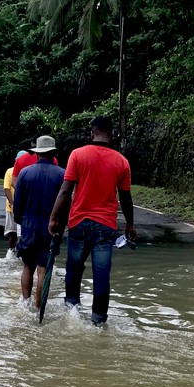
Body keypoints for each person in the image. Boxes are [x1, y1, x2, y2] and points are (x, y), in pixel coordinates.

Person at [49, 116, 135, 326]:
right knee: (102, 273)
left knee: (74, 268)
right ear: (110, 133)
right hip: (106, 226)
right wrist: (130, 225)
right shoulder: (121, 162)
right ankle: (98, 321)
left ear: (92, 132)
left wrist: (53, 218)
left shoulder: (78, 155)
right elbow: (125, 198)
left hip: (79, 223)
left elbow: (65, 190)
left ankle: (72, 312)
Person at [12, 135, 65, 307]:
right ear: (53, 153)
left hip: (29, 226)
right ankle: (38, 306)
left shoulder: (25, 173)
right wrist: (61, 226)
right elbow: (65, 204)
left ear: (37, 153)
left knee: (28, 266)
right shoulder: (62, 174)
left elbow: (17, 205)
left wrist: (21, 221)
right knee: (43, 269)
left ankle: (25, 303)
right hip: (51, 228)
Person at [2, 152, 23, 261]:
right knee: (12, 232)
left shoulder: (26, 172)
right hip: (11, 208)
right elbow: (6, 188)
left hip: (24, 208)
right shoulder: (10, 171)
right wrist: (12, 203)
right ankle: (11, 251)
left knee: (21, 233)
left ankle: (19, 253)